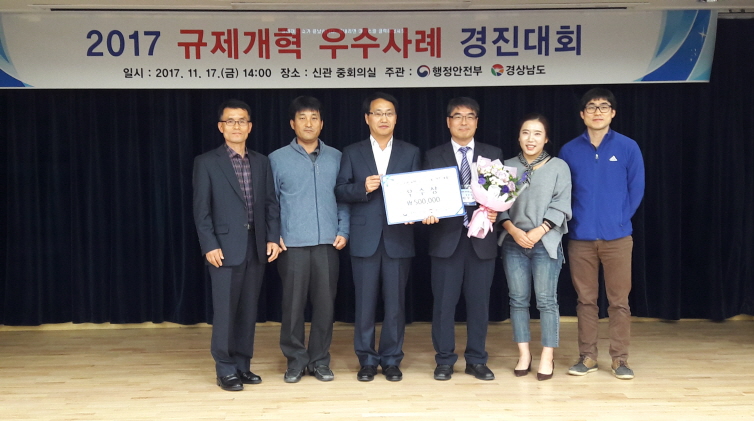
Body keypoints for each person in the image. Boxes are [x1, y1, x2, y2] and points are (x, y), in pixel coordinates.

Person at [192, 99, 282, 391]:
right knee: (225, 312)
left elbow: (270, 204)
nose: (236, 126)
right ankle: (225, 369)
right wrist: (209, 244)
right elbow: (201, 210)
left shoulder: (261, 161)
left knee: (247, 311)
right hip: (223, 248)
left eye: (241, 121)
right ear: (221, 127)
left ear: (250, 126)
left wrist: (272, 237)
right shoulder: (206, 162)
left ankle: (243, 365)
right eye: (230, 121)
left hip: (256, 247)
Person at [559, 88, 645, 380]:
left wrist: (619, 220)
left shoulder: (628, 147)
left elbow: (636, 189)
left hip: (617, 238)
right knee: (586, 301)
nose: (598, 112)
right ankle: (587, 357)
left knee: (619, 302)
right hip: (580, 238)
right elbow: (564, 193)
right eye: (592, 107)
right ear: (582, 114)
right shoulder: (569, 150)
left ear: (613, 113)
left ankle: (620, 359)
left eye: (604, 106)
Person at [335, 92, 421, 382]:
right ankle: (367, 360)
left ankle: (392, 360)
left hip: (399, 237)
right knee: (365, 304)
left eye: (389, 113)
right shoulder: (352, 151)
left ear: (396, 118)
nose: (384, 118)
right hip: (364, 237)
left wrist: (416, 212)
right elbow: (340, 190)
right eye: (378, 113)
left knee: (395, 305)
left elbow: (419, 191)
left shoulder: (410, 152)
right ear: (367, 118)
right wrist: (362, 187)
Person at [269, 96, 350, 383]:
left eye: (314, 117)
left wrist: (343, 229)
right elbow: (271, 202)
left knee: (325, 305)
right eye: (302, 118)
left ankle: (319, 360)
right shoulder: (277, 159)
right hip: (291, 244)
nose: (308, 123)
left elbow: (343, 197)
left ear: (322, 123)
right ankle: (295, 361)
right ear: (292, 124)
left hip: (328, 242)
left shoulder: (337, 157)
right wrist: (274, 235)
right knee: (292, 307)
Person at [422, 97, 502, 381]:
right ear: (448, 122)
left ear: (477, 122)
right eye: (458, 116)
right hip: (446, 240)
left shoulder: (492, 154)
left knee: (479, 304)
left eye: (470, 117)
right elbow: (425, 194)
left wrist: (497, 211)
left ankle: (477, 360)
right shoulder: (433, 155)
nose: (464, 122)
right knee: (444, 304)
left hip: (481, 240)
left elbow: (503, 194)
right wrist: (425, 212)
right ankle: (444, 360)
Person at [498, 113, 572, 381]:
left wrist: (539, 231)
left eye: (537, 133)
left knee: (546, 301)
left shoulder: (559, 166)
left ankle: (547, 356)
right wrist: (514, 230)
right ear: (519, 137)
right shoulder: (505, 166)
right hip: (513, 242)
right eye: (526, 133)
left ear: (546, 138)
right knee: (518, 300)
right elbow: (496, 205)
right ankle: (524, 354)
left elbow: (562, 204)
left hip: (546, 243)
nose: (531, 139)